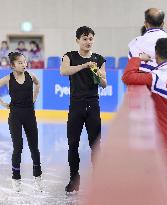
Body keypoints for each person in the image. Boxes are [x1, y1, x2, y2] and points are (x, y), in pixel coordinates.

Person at [122, 38, 167, 192]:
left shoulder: (155, 77)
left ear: (156, 55)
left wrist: (137, 59)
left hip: (164, 142)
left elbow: (128, 77)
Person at [60, 26, 107, 193]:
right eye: (85, 39)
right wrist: (83, 66)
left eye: (91, 39)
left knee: (96, 144)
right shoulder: (69, 56)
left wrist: (97, 72)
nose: (88, 42)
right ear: (78, 40)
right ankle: (74, 178)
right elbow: (64, 71)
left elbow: (104, 84)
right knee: (73, 143)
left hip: (93, 105)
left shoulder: (99, 59)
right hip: (76, 105)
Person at [0, 52, 43, 192]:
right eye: (20, 62)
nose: (23, 64)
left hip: (29, 115)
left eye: (24, 62)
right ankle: (16, 178)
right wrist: (1, 102)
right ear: (13, 65)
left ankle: (38, 177)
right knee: (18, 147)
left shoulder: (31, 76)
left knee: (34, 147)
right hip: (15, 116)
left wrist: (35, 96)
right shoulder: (8, 78)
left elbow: (38, 84)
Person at [128, 8, 167, 72]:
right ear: (163, 23)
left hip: (144, 81)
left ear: (145, 23)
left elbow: (131, 72)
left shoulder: (135, 44)